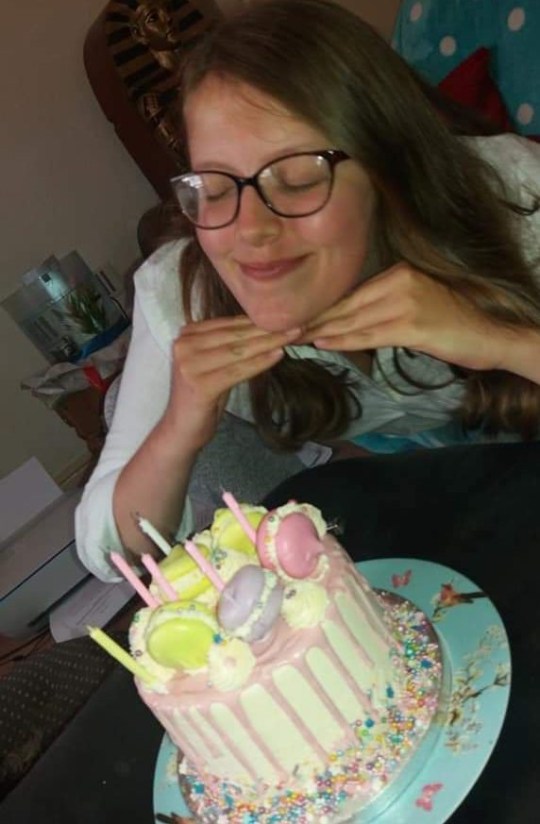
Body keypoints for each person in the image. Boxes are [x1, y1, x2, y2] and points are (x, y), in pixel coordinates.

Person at [76, 0, 540, 581]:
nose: (250, 232)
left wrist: (501, 339)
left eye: (296, 179)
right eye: (215, 188)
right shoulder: (182, 291)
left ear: (386, 164)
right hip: (410, 510)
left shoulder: (514, 197)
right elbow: (108, 553)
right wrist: (181, 426)